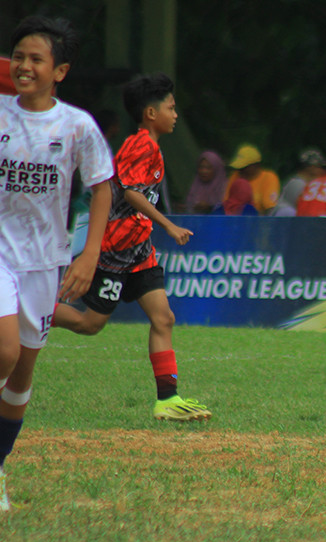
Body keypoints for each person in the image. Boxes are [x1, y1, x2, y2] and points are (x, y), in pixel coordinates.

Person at [0, 16, 115, 511]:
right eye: (18, 57)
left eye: (36, 59)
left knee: (22, 371)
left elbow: (103, 186)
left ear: (60, 71)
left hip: (45, 261)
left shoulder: (76, 125)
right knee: (4, 351)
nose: (24, 66)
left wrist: (89, 254)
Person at [52, 73, 211, 423]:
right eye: (171, 108)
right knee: (90, 324)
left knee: (163, 318)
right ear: (151, 114)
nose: (176, 115)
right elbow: (132, 193)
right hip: (116, 249)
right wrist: (168, 224)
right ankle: (31, 313)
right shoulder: (142, 146)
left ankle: (167, 400)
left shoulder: (148, 145)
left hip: (139, 250)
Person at [225, 144, 280, 214]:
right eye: (238, 167)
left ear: (255, 165)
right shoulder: (235, 176)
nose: (240, 170)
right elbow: (226, 203)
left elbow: (270, 209)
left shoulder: (268, 177)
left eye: (243, 167)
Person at [275, 147, 326, 216]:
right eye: (320, 167)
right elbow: (302, 207)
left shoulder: (304, 182)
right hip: (282, 218)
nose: (323, 171)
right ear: (311, 167)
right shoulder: (297, 183)